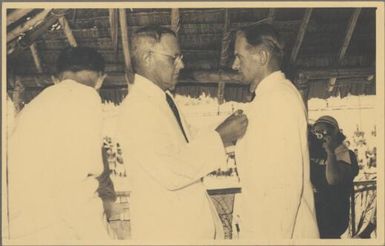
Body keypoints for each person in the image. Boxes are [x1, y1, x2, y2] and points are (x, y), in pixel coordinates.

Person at [117, 25, 248, 241]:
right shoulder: (137, 109)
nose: (182, 65)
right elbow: (171, 171)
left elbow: (190, 141)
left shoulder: (163, 101)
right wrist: (220, 136)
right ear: (148, 57)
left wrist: (222, 129)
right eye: (173, 58)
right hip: (168, 233)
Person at [7, 47, 110, 242]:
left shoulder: (34, 106)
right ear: (101, 79)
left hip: (21, 225)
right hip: (58, 227)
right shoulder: (86, 97)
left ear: (58, 77)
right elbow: (77, 180)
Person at [232, 23, 319, 239]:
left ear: (262, 57)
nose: (234, 65)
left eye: (239, 57)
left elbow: (285, 187)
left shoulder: (279, 99)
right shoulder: (269, 97)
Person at [309, 116, 359, 238]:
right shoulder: (312, 153)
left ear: (335, 134)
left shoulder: (346, 154)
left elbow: (333, 179)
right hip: (314, 217)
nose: (319, 136)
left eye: (324, 132)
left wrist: (330, 153)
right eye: (316, 132)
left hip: (334, 218)